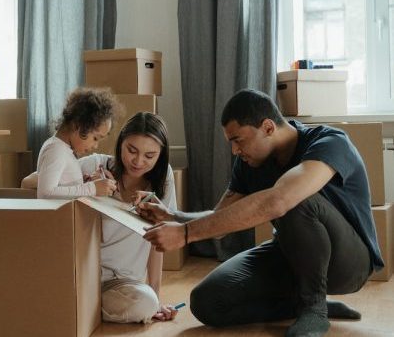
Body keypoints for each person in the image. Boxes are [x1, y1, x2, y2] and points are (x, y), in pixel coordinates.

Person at [140, 89, 382, 336]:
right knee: (207, 302)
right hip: (291, 255)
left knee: (293, 197)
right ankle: (299, 304)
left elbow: (280, 200)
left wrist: (185, 233)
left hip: (349, 264)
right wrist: (173, 217)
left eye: (238, 140)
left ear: (268, 127)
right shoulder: (249, 163)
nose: (234, 150)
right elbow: (219, 219)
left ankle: (314, 308)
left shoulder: (330, 142)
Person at [27, 111, 180, 323]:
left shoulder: (163, 180)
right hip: (81, 274)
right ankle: (78, 305)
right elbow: (29, 183)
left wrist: (156, 297)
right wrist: (86, 186)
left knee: (146, 304)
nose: (137, 161)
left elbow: (158, 240)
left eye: (149, 156)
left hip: (123, 284)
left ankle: (76, 307)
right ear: (120, 144)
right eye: (131, 150)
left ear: (160, 156)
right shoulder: (95, 165)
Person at [35, 87, 118, 199]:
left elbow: (62, 188)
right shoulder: (56, 150)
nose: (96, 145)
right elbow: (45, 193)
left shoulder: (63, 149)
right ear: (78, 125)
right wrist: (92, 188)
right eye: (95, 138)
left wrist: (83, 183)